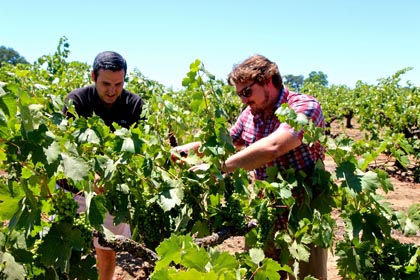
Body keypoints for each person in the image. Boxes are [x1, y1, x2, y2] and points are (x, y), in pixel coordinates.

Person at [173, 54, 327, 279]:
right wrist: (188, 149)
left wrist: (221, 168)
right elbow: (226, 142)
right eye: (239, 95)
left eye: (247, 92)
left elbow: (274, 146)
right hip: (265, 217)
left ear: (269, 80)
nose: (243, 100)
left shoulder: (304, 106)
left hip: (303, 220)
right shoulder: (250, 114)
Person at [60, 51, 145, 280]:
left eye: (118, 84)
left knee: (107, 251)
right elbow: (67, 147)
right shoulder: (76, 101)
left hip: (110, 195)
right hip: (73, 189)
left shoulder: (135, 105)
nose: (112, 90)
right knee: (64, 252)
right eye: (106, 83)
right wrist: (90, 175)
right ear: (93, 76)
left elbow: (138, 152)